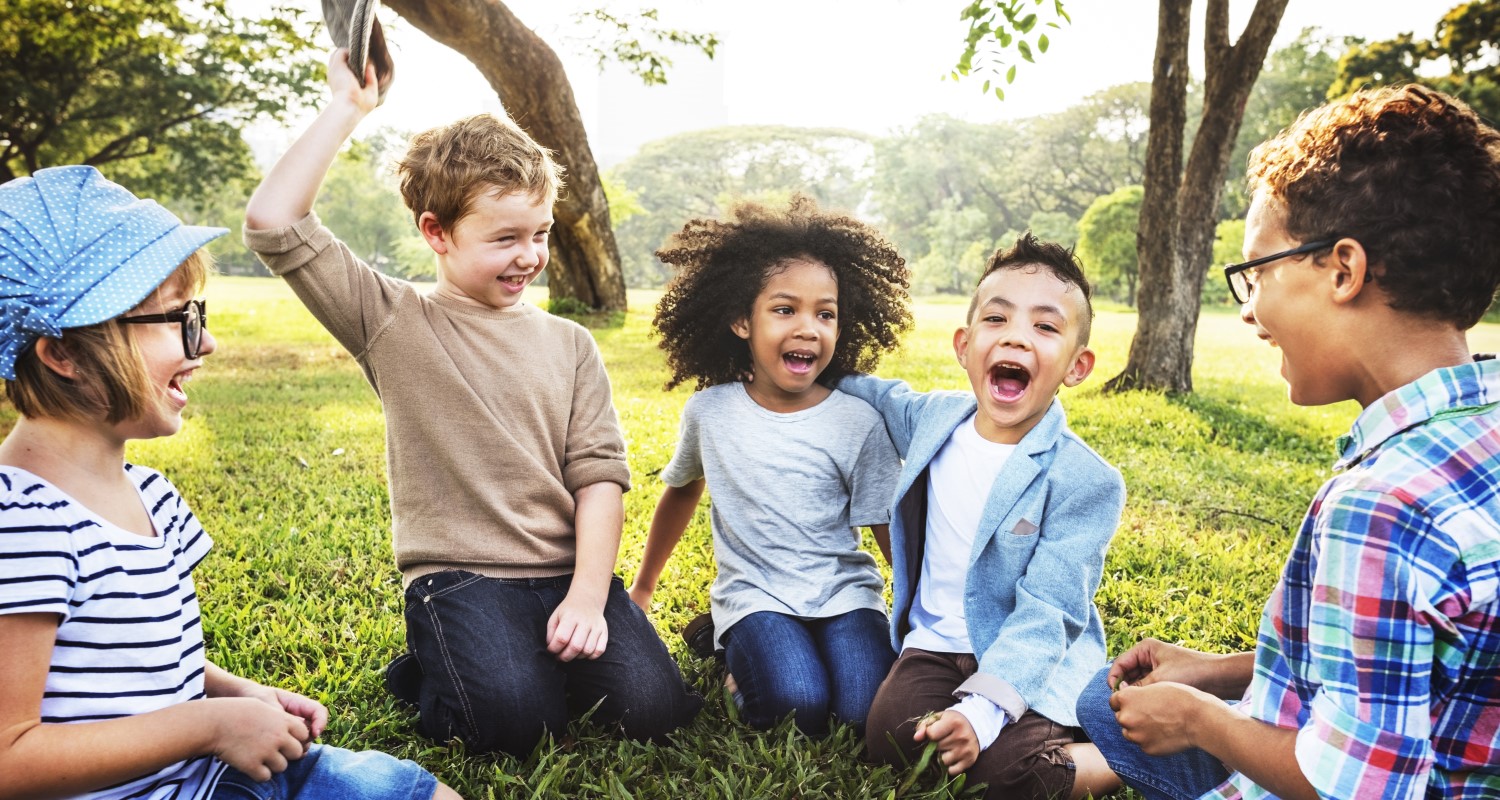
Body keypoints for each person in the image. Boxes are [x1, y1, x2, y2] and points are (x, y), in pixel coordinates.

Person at [242, 51, 702, 758]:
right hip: (460, 579)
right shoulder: (391, 319)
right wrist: (348, 108)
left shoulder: (571, 343)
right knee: (514, 727)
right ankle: (432, 667)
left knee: (655, 711)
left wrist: (586, 596)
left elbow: (599, 480)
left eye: (540, 234)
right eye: (505, 239)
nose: (529, 256)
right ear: (437, 233)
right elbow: (274, 224)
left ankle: (522, 660)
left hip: (564, 572)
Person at [1074, 84, 1500, 800]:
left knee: (1117, 709)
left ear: (1343, 269)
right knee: (1101, 703)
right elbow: (1426, 657)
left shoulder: (1383, 505)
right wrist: (1226, 670)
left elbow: (1353, 788)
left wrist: (1200, 719)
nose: (1249, 311)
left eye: (1256, 272)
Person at [0, 165, 460, 800]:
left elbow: (146, 665)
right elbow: (10, 758)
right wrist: (208, 724)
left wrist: (238, 695)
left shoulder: (151, 494)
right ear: (65, 354)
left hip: (210, 772)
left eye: (200, 315)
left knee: (408, 789)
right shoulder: (22, 525)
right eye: (178, 320)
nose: (207, 341)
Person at [838, 233, 1125, 800]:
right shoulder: (934, 419)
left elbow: (1049, 611)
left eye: (1046, 327)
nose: (1017, 335)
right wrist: (801, 368)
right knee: (889, 739)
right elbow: (874, 393)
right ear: (965, 345)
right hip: (937, 644)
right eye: (997, 319)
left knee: (1003, 773)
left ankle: (1119, 753)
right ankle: (986, 727)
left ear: (1077, 366)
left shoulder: (1086, 480)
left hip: (1032, 653)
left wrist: (983, 712)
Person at [626, 197, 910, 735]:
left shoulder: (858, 421)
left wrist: (924, 613)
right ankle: (735, 657)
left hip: (845, 593)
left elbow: (884, 523)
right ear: (740, 320)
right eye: (785, 310)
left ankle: (753, 650)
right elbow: (682, 490)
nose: (808, 328)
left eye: (825, 313)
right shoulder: (710, 412)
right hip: (756, 594)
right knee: (795, 704)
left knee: (860, 712)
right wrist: (643, 587)